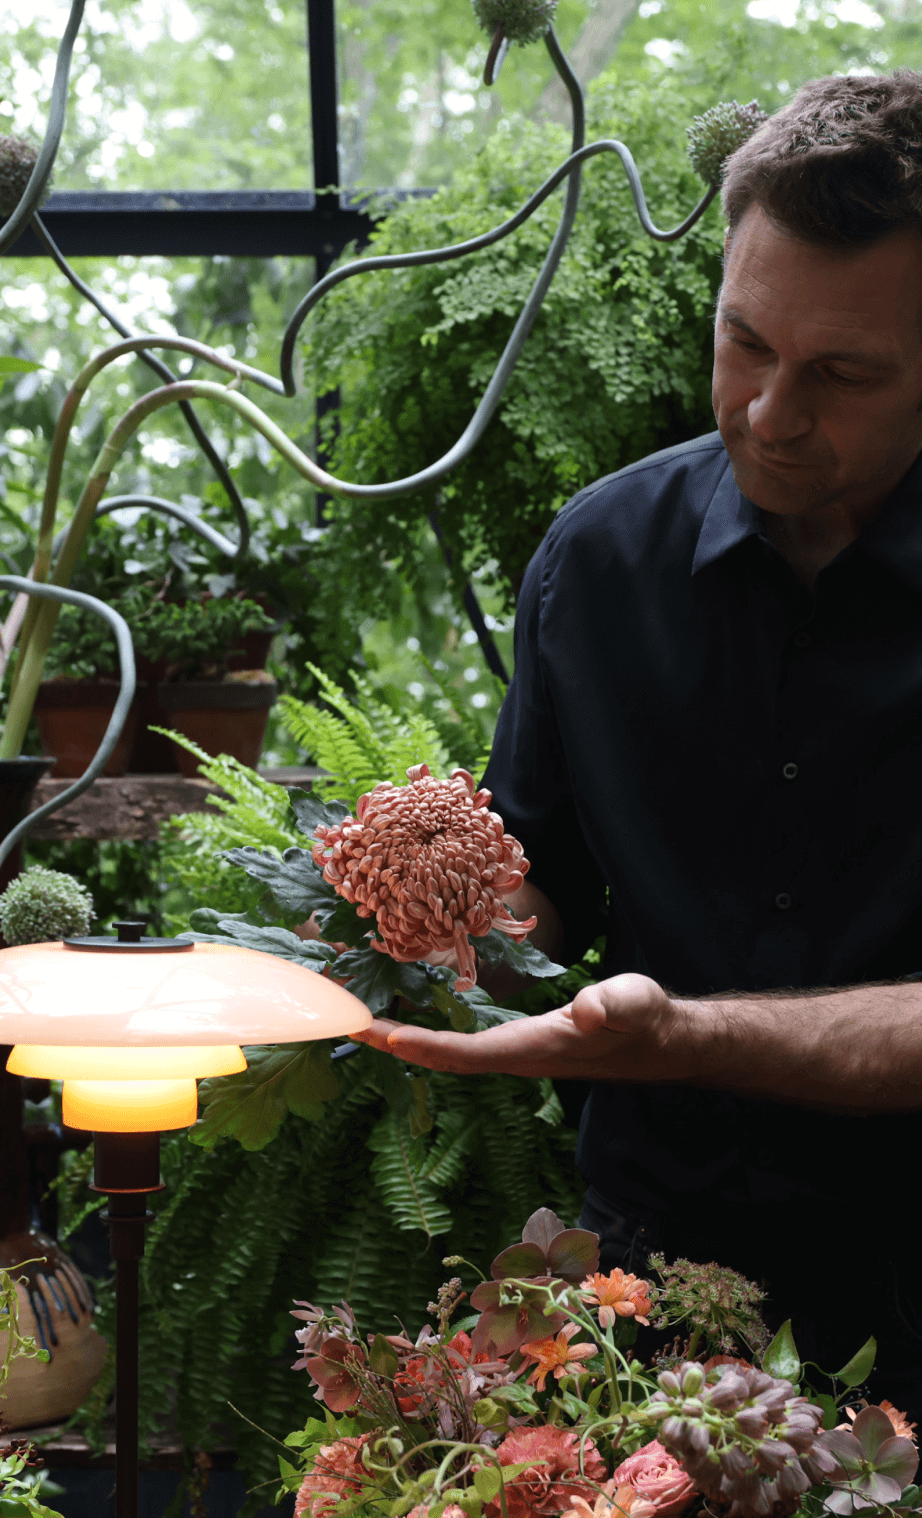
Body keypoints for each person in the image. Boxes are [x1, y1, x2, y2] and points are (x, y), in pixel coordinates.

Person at [351, 72, 922, 1409]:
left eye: (842, 374)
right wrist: (433, 906)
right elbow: (537, 888)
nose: (771, 412)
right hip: (648, 1300)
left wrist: (686, 1035)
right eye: (746, 343)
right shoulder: (599, 562)